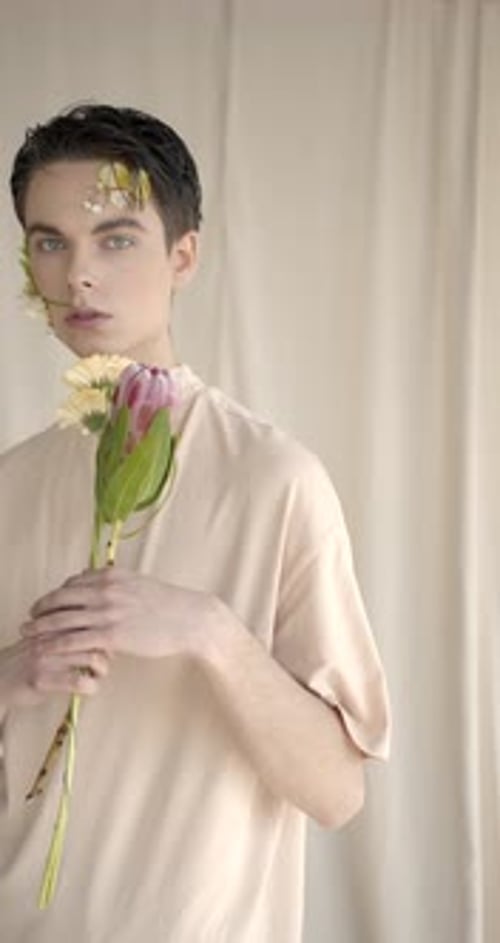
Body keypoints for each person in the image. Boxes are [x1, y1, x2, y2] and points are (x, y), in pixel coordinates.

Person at [0, 104, 390, 942]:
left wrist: (210, 632)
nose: (79, 275)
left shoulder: (276, 482)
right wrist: (12, 675)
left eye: (115, 238)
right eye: (50, 242)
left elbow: (337, 792)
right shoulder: (11, 484)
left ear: (184, 255)